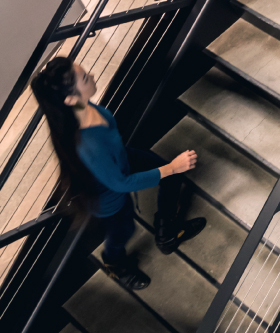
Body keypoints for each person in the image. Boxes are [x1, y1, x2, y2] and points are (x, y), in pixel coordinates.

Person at [30, 57, 206, 291]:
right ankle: (115, 263)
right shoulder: (88, 144)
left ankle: (167, 234)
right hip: (109, 196)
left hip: (121, 159)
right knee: (123, 230)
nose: (92, 76)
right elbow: (121, 183)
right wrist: (171, 167)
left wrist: (169, 170)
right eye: (85, 78)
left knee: (171, 177)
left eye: (87, 72)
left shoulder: (82, 106)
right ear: (70, 99)